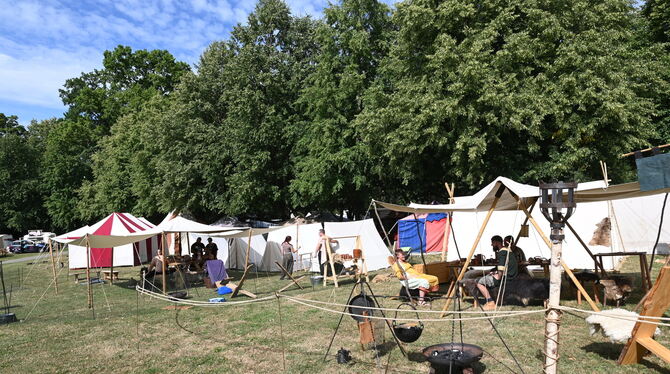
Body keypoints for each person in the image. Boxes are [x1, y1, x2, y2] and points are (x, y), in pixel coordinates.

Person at [477, 235, 519, 311]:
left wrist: (498, 276)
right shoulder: (507, 250)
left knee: (480, 282)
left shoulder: (502, 252)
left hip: (507, 278)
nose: (491, 245)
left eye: (492, 243)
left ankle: (490, 302)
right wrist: (496, 272)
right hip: (511, 275)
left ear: (496, 242)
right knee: (488, 275)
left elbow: (501, 267)